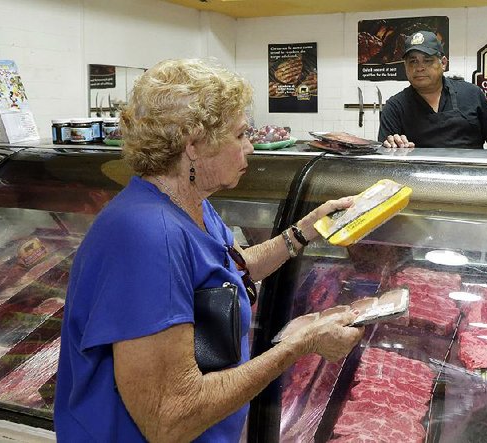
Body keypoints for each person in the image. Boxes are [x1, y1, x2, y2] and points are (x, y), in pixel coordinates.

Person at [54, 58, 364, 442]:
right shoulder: (148, 236)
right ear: (194, 145)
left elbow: (235, 267)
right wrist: (301, 344)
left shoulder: (190, 204)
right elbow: (169, 418)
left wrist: (307, 228)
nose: (250, 146)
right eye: (239, 135)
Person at [379, 30, 487, 151]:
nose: (419, 68)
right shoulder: (394, 107)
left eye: (427, 60)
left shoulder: (472, 94)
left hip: (470, 173)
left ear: (443, 63)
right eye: (413, 61)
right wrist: (392, 146)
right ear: (405, 66)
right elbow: (385, 159)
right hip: (419, 174)